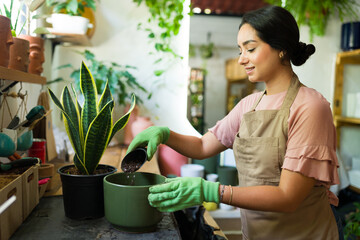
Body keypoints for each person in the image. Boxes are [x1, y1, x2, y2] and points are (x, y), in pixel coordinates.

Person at [127, 5, 342, 240]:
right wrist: (164, 134)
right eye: (240, 50)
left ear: (281, 48)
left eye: (250, 49)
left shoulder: (311, 107)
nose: (241, 59)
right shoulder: (248, 105)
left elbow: (288, 197)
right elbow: (202, 147)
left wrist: (211, 191)